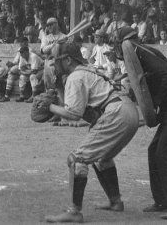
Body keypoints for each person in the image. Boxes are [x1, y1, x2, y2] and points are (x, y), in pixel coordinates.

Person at [44, 42, 139, 223]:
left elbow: (73, 114)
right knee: (101, 158)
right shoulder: (87, 71)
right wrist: (58, 88)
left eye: (58, 61)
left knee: (77, 159)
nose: (54, 64)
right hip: (128, 111)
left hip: (115, 113)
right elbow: (72, 106)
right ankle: (115, 201)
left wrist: (50, 107)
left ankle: (74, 211)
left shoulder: (75, 77)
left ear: (68, 60)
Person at [114, 26, 167, 220]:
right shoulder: (142, 52)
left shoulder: (141, 52)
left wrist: (158, 103)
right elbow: (147, 82)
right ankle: (162, 201)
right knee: (154, 151)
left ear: (125, 42)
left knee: (165, 155)